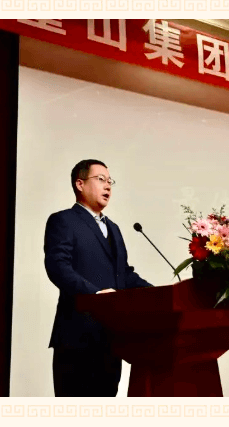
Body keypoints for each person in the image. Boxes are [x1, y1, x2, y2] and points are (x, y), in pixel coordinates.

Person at [44, 159, 152, 397]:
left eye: (110, 181)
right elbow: (57, 266)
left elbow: (123, 274)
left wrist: (156, 293)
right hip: (77, 338)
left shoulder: (113, 228)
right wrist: (94, 295)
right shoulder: (64, 221)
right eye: (101, 179)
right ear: (80, 184)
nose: (108, 186)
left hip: (111, 339)